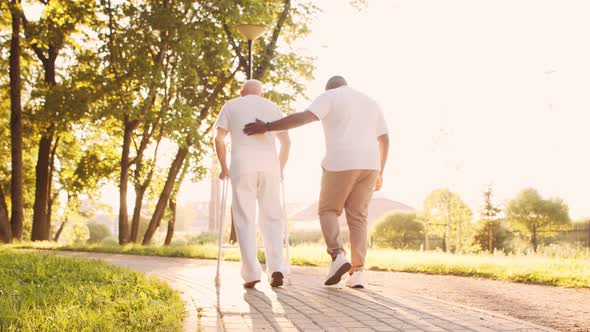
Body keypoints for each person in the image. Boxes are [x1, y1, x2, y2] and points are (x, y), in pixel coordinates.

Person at [244, 76, 389, 289]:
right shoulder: (370, 101)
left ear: (329, 87)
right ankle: (357, 273)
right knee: (358, 217)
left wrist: (267, 126)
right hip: (371, 164)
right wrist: (381, 172)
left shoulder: (329, 96)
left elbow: (304, 117)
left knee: (328, 210)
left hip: (342, 161)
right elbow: (384, 138)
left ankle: (338, 255)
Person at [214, 79, 291, 288]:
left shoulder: (231, 105)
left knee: (244, 218)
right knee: (273, 217)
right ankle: (276, 268)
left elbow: (219, 139)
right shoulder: (273, 107)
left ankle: (251, 273)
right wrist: (280, 168)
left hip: (243, 166)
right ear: (262, 94)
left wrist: (224, 166)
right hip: (270, 167)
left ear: (241, 93)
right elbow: (286, 141)